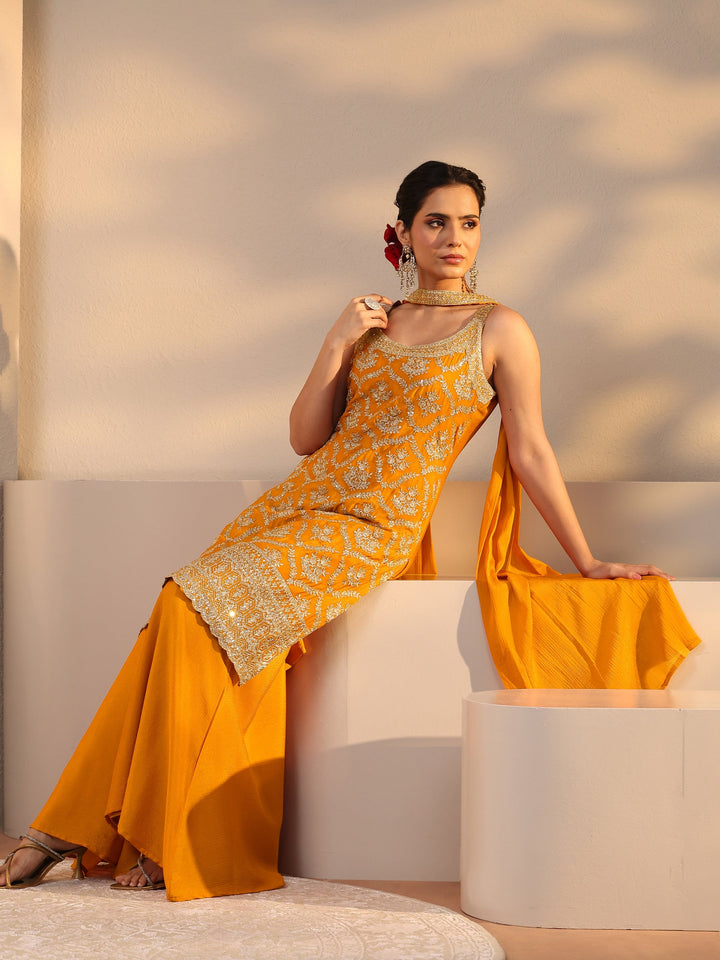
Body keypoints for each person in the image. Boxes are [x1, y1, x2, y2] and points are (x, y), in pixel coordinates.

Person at [0, 161, 700, 898]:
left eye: (468, 222)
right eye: (436, 221)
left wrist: (586, 560)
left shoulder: (500, 329)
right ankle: (111, 832)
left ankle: (111, 833)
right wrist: (337, 341)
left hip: (375, 525)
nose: (455, 238)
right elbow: (307, 439)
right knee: (181, 608)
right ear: (402, 232)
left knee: (191, 603)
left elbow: (531, 450)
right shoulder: (373, 322)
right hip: (300, 505)